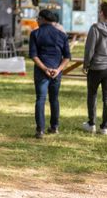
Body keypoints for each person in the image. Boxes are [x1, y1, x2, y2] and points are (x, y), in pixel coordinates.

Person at [29, 9, 71, 139]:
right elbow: (67, 57)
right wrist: (58, 70)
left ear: (42, 19)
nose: (36, 20)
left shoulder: (35, 34)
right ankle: (54, 126)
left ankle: (40, 130)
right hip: (56, 72)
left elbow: (34, 55)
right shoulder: (62, 35)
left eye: (37, 18)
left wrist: (44, 68)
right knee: (54, 99)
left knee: (40, 99)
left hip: (42, 71)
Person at [82, 2, 107, 135]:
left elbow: (89, 50)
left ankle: (91, 124)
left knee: (92, 95)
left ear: (102, 14)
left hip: (96, 67)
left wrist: (86, 65)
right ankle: (104, 127)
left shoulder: (95, 28)